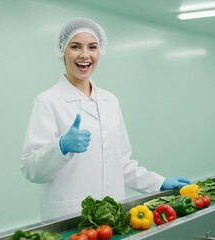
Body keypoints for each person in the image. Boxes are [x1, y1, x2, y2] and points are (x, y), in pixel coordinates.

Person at [21, 17, 191, 221]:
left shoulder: (110, 100)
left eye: (92, 47)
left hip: (113, 215)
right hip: (69, 219)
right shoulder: (48, 101)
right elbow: (31, 169)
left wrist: (159, 183)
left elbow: (121, 163)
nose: (85, 55)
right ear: (62, 51)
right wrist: (61, 147)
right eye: (75, 47)